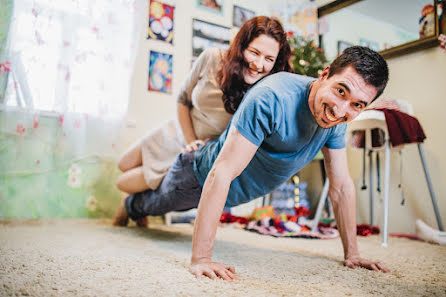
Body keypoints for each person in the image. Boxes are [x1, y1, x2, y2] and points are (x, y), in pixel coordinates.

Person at [114, 46, 390, 280]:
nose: (341, 111)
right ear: (326, 73)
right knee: (152, 203)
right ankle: (129, 205)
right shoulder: (273, 97)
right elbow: (221, 173)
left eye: (357, 105)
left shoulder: (338, 118)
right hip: (197, 176)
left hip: (229, 191)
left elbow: (340, 185)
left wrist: (352, 254)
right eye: (341, 91)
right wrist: (201, 258)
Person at [113, 16, 292, 226]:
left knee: (122, 183)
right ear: (241, 46)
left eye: (269, 59)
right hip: (178, 131)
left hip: (190, 154)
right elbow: (182, 99)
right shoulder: (212, 58)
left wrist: (193, 147)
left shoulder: (263, 92)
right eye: (254, 52)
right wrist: (189, 139)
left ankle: (130, 205)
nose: (259, 64)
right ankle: (137, 209)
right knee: (123, 164)